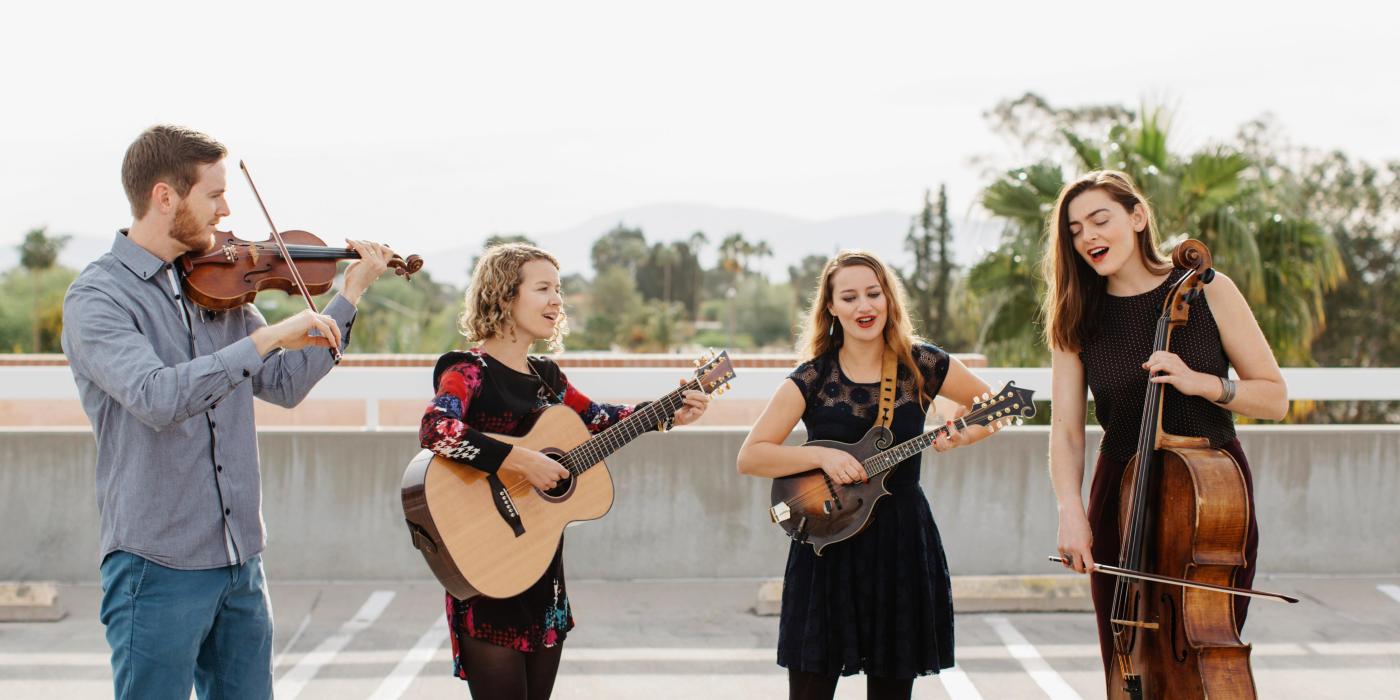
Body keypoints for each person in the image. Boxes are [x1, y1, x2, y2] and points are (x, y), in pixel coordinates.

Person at [60, 124, 397, 698]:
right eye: (213, 194)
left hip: (240, 558)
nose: (227, 209)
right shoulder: (99, 298)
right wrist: (266, 339)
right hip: (156, 563)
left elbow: (287, 384)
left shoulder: (221, 286)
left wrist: (348, 296)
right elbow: (158, 398)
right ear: (165, 196)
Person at [419, 242, 710, 699]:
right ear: (504, 295)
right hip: (487, 568)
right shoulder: (468, 370)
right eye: (543, 289)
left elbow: (599, 419)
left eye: (559, 289)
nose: (557, 300)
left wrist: (670, 410)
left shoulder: (547, 377)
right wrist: (522, 460)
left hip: (544, 576)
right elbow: (437, 429)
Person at [1043, 170, 1288, 686]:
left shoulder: (1207, 291)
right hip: (1120, 494)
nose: (1088, 236)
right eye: (1075, 229)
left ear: (1137, 217)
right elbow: (1066, 431)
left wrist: (1204, 384)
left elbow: (1274, 397)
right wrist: (1070, 510)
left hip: (1210, 501)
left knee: (1202, 651)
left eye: (1100, 220)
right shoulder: (1076, 315)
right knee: (1129, 662)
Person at [735, 250, 993, 700]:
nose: (864, 307)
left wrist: (963, 436)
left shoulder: (922, 364)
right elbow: (752, 456)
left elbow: (989, 408)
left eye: (873, 294)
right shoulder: (813, 377)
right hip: (828, 543)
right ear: (831, 307)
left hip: (900, 543)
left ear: (889, 299)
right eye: (849, 297)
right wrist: (821, 457)